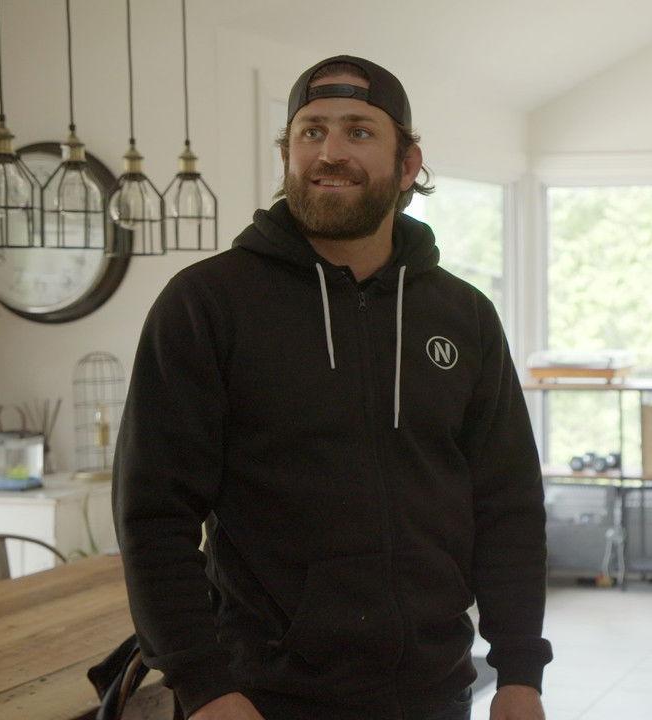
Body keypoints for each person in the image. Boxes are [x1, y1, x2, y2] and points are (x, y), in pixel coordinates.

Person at [114, 55, 551, 720]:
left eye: (359, 131)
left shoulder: (463, 315)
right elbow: (153, 515)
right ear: (287, 153)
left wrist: (520, 670)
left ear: (408, 164)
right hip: (260, 698)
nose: (330, 152)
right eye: (311, 131)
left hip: (434, 692)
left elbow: (507, 504)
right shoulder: (207, 304)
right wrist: (204, 685)